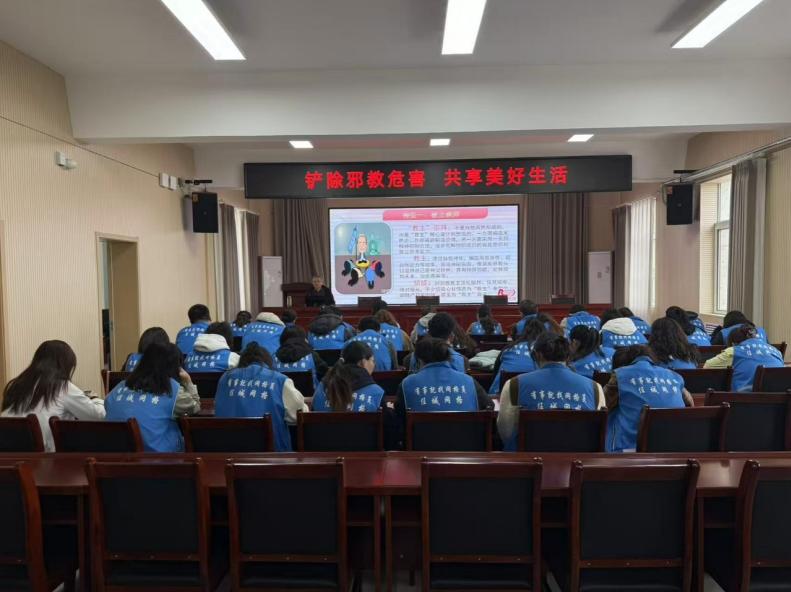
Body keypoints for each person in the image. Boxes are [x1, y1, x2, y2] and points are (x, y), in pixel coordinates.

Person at [497, 333, 603, 450]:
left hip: (528, 457)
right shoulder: (595, 388)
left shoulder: (514, 384)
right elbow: (598, 432)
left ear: (538, 354)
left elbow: (506, 431)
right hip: (580, 457)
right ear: (568, 356)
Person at [1, 340, 105, 451]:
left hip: (8, 456)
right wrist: (95, 399)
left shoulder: (16, 384)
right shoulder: (62, 387)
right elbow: (98, 416)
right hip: (44, 458)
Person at [104, 343, 200, 452]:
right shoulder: (171, 390)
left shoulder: (120, 386)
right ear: (175, 367)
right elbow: (195, 407)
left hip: (114, 456)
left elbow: (107, 405)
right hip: (159, 458)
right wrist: (188, 381)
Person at [214, 343, 308, 451]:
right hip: (273, 457)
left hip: (229, 453)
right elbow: (298, 416)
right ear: (267, 361)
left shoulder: (225, 378)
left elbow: (218, 409)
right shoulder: (279, 380)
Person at [604, 346, 693, 452]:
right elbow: (690, 403)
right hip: (675, 446)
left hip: (630, 449)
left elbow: (601, 405)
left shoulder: (620, 375)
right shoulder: (674, 376)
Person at [397, 338, 493, 421]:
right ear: (448, 357)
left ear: (419, 360)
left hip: (420, 437)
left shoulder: (407, 383)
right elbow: (489, 407)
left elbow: (399, 418)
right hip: (468, 436)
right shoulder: (469, 381)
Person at [704, 324, 784, 391]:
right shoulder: (776, 351)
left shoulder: (734, 351)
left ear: (733, 344)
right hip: (778, 401)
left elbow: (707, 366)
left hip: (744, 401)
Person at [312, 341, 385, 412]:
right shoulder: (376, 393)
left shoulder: (322, 387)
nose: (374, 365)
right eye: (373, 360)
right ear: (363, 362)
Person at [488, 318, 546, 394]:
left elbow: (495, 372)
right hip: (535, 394)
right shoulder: (545, 350)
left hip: (502, 393)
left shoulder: (508, 348)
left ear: (524, 332)